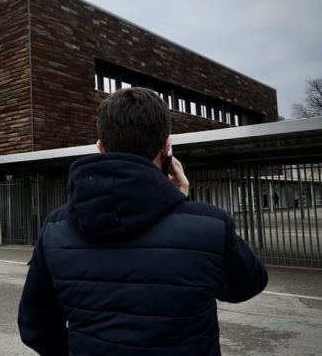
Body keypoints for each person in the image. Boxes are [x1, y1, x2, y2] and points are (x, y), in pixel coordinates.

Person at [18, 87, 268, 356]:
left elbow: (35, 325)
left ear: (101, 146)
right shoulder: (210, 224)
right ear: (166, 147)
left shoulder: (56, 227)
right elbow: (249, 284)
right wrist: (180, 199)